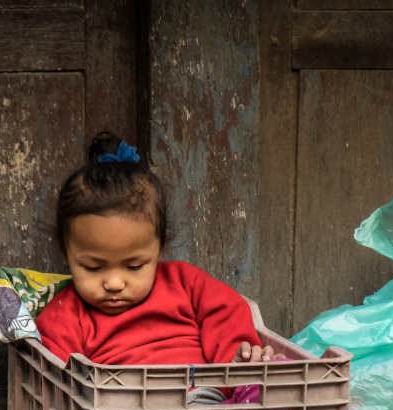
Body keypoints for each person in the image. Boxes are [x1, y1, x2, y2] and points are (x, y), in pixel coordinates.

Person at [36, 131, 273, 387]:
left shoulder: (185, 283)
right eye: (93, 268)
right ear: (65, 252)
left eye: (135, 266)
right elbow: (57, 381)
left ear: (160, 248)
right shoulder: (65, 316)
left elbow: (227, 313)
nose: (114, 283)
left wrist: (236, 360)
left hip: (206, 401)